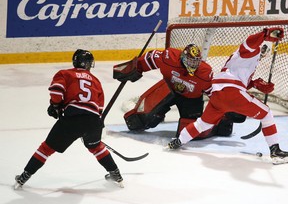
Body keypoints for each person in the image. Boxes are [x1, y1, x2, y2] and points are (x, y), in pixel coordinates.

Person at [167, 27, 288, 165]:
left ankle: (177, 142)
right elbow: (249, 42)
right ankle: (276, 151)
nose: (264, 53)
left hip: (217, 93)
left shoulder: (247, 62)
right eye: (264, 50)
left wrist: (255, 84)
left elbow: (240, 81)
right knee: (266, 114)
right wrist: (264, 34)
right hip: (231, 91)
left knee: (203, 123)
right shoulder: (249, 51)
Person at [14, 49, 123, 189]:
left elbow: (56, 91)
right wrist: (89, 126)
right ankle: (116, 174)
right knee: (96, 147)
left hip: (72, 119)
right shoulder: (96, 81)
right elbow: (99, 107)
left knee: (46, 148)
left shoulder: (65, 74)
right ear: (88, 64)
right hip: (93, 121)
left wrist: (55, 105)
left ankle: (24, 177)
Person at [113, 44, 246, 139]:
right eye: (190, 61)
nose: (193, 65)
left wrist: (228, 108)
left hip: (191, 100)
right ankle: (156, 114)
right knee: (137, 122)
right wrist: (134, 67)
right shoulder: (169, 57)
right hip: (167, 90)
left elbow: (214, 94)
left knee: (189, 132)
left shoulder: (205, 73)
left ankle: (219, 125)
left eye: (196, 62)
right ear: (182, 57)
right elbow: (151, 58)